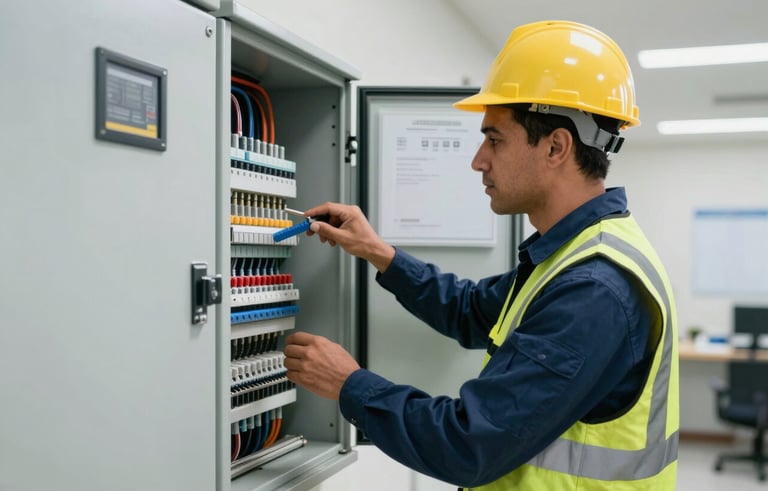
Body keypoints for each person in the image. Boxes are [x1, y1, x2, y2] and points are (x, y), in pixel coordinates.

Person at [283, 20, 679, 490]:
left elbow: (469, 444)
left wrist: (350, 385)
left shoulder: (594, 288)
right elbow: (472, 310)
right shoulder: (575, 256)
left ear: (556, 147)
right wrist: (379, 252)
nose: (478, 160)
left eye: (495, 139)